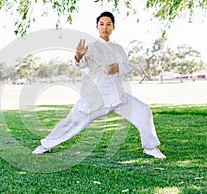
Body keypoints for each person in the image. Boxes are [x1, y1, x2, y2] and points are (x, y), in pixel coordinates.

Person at [32, 11, 166, 159]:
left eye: (108, 24)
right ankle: (46, 145)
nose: (105, 27)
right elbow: (79, 64)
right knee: (71, 123)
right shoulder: (91, 47)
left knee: (143, 111)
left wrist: (118, 68)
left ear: (113, 27)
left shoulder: (119, 49)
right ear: (97, 27)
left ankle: (150, 147)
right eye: (101, 24)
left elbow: (128, 69)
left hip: (117, 96)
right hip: (94, 99)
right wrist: (79, 55)